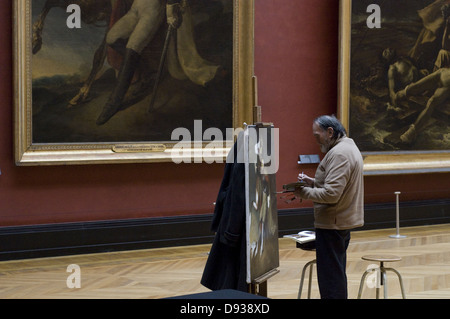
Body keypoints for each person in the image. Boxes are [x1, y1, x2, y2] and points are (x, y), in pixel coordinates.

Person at [294, 115, 364, 299]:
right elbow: (335, 185)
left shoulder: (340, 153)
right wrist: (315, 182)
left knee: (331, 280)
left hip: (333, 225)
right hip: (338, 222)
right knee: (335, 275)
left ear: (330, 132)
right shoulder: (347, 147)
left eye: (317, 135)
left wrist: (303, 193)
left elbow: (332, 195)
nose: (315, 140)